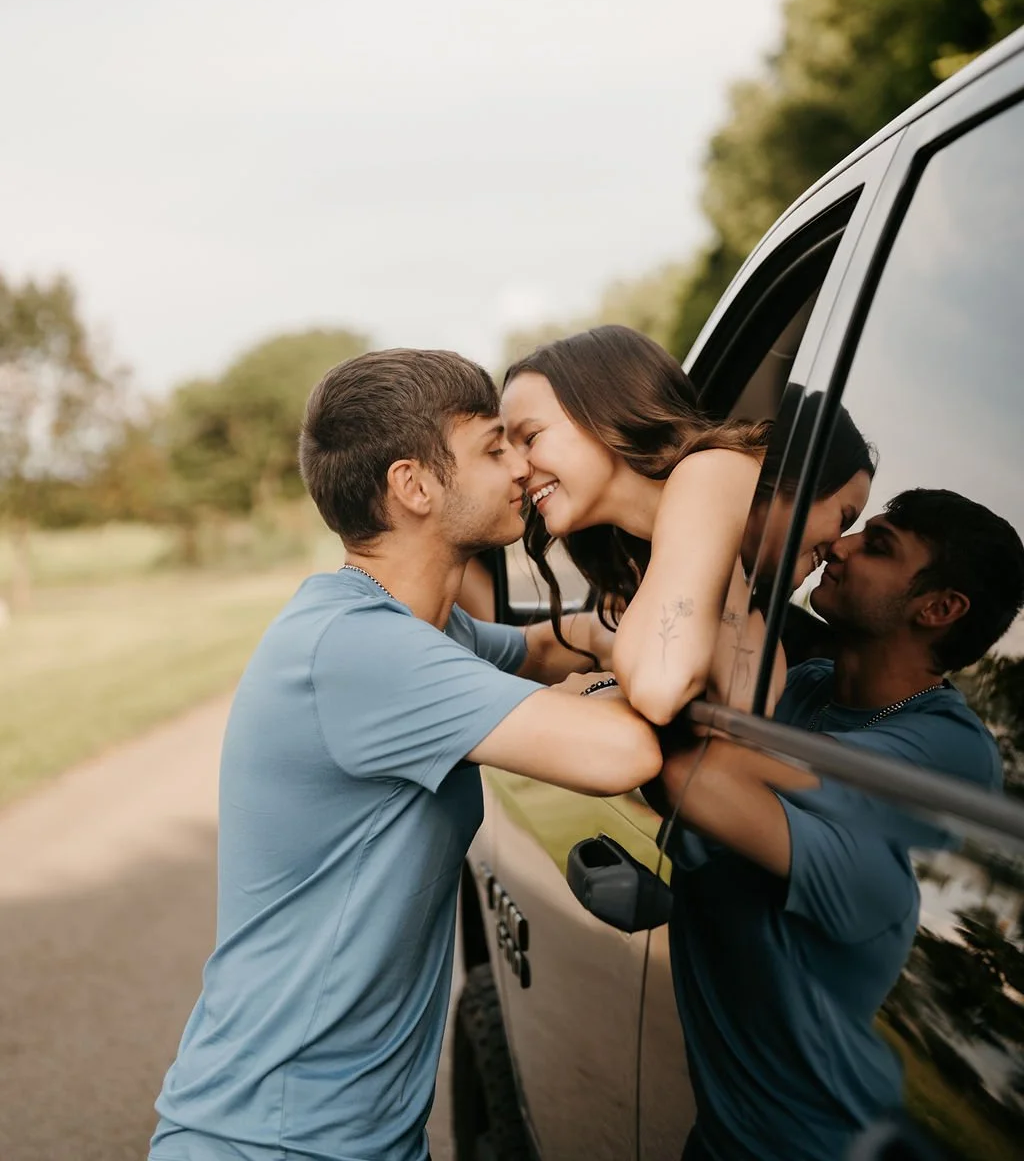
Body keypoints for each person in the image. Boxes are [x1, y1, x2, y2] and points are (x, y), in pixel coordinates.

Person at [149, 348, 660, 1161]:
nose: (522, 465)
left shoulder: (411, 627)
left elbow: (530, 651)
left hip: (355, 1140)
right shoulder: (363, 654)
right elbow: (624, 754)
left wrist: (604, 631)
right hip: (274, 1144)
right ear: (414, 486)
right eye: (495, 448)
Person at [655, 487, 1024, 1161]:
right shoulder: (805, 687)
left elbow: (700, 774)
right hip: (726, 1132)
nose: (841, 545)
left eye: (877, 544)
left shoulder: (952, 751)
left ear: (938, 609)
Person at [500, 326, 876, 718]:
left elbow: (662, 685)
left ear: (604, 408)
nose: (515, 468)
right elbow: (743, 698)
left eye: (530, 437)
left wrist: (598, 688)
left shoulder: (711, 471)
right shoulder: (693, 537)